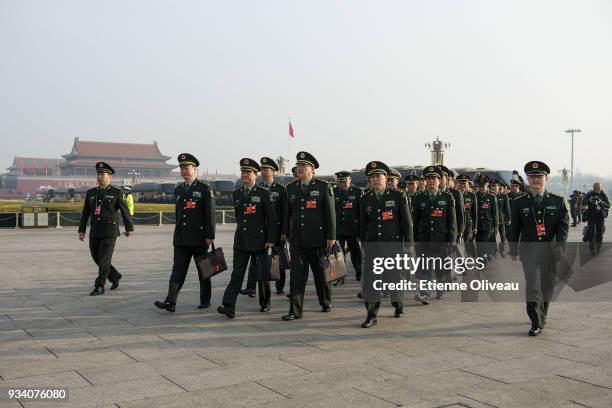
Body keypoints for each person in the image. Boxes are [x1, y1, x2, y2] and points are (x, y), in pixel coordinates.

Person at [510, 161, 569, 336]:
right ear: (527, 179)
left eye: (539, 176)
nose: (536, 180)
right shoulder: (519, 202)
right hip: (529, 251)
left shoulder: (557, 201)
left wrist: (560, 242)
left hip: (551, 250)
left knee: (547, 285)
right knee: (533, 285)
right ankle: (536, 321)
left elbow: (563, 224)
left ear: (547, 179)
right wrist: (513, 250)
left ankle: (542, 314)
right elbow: (514, 228)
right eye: (532, 176)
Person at [154, 153, 215, 312]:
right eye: (181, 168)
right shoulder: (179, 189)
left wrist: (210, 235)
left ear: (195, 169)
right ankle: (171, 301)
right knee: (177, 270)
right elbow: (178, 215)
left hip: (200, 237)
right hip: (181, 238)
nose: (184, 170)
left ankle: (205, 299)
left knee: (204, 270)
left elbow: (210, 214)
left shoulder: (204, 188)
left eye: (187, 167)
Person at [217, 158, 275, 318]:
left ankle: (265, 302)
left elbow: (271, 218)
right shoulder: (237, 193)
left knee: (263, 274)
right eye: (243, 171)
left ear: (256, 175)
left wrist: (270, 239)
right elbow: (239, 217)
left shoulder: (264, 193)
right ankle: (229, 305)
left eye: (248, 172)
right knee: (237, 273)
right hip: (241, 240)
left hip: (260, 240)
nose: (244, 174)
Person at [282, 151, 336, 321]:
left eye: (303, 166)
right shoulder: (290, 188)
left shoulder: (322, 187)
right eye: (298, 166)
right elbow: (286, 214)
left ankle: (325, 301)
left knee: (320, 274)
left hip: (317, 239)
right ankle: (295, 310)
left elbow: (330, 214)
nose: (299, 168)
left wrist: (331, 236)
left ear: (312, 169)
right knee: (297, 276)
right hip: (297, 239)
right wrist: (284, 233)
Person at [360, 161, 413, 328]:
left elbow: (406, 221)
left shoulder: (398, 195)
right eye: (372, 177)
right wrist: (362, 241)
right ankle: (371, 314)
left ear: (386, 178)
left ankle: (398, 304)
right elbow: (363, 223)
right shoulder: (365, 198)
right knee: (371, 280)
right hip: (373, 244)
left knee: (394, 278)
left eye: (379, 176)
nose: (375, 180)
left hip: (393, 244)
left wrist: (409, 244)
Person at [78, 162, 134, 296]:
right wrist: (82, 230)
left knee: (104, 259)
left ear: (109, 176)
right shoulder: (91, 193)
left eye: (102, 174)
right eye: (98, 174)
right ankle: (114, 275)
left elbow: (125, 211)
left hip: (110, 231)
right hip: (95, 230)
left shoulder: (116, 192)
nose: (100, 177)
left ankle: (99, 285)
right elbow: (85, 212)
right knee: (96, 257)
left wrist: (129, 227)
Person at [413, 165, 457, 304]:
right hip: (424, 238)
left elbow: (452, 221)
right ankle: (424, 294)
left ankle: (440, 288)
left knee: (440, 267)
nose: (431, 181)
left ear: (439, 181)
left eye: (434, 179)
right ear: (425, 181)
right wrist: (414, 240)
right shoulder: (419, 197)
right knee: (424, 267)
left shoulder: (447, 197)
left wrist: (452, 240)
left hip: (441, 239)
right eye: (428, 179)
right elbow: (415, 220)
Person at [333, 171, 362, 286]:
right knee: (339, 254)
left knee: (355, 253)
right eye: (340, 181)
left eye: (344, 181)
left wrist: (360, 230)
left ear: (350, 179)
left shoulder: (357, 192)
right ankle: (340, 277)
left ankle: (359, 272)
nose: (342, 183)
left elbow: (360, 212)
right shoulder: (334, 192)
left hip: (353, 228)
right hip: (339, 228)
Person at [581, 182, 609, 254]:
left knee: (599, 233)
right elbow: (583, 202)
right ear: (593, 188)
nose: (596, 190)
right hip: (591, 216)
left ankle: (598, 247)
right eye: (595, 188)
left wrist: (601, 202)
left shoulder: (603, 194)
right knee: (592, 232)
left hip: (600, 216)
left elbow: (608, 205)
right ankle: (592, 248)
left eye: (598, 188)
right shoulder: (590, 193)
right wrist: (589, 200)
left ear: (601, 188)